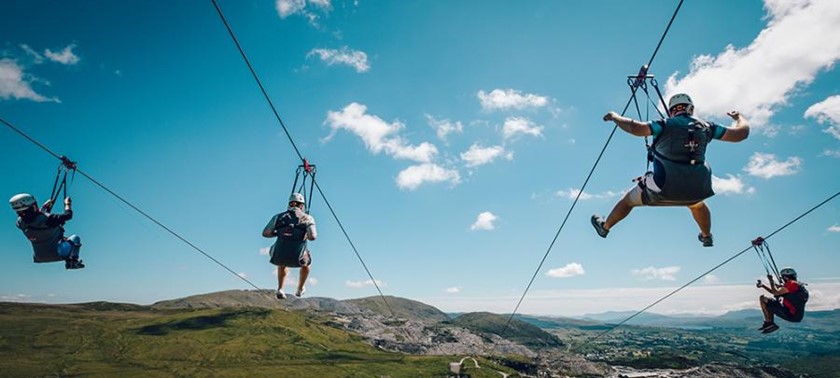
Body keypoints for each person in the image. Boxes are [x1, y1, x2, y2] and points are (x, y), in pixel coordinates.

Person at [591, 93, 750, 246]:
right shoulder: (708, 127)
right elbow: (741, 134)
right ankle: (707, 236)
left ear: (672, 110)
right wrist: (739, 117)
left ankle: (605, 228)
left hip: (663, 187)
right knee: (698, 205)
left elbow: (635, 128)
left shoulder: (664, 124)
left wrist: (614, 116)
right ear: (691, 108)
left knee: (628, 201)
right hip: (697, 189)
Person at [262, 193, 317, 299]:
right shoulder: (308, 218)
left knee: (282, 259)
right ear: (302, 206)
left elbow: (265, 233)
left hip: (277, 256)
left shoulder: (278, 217)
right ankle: (300, 288)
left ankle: (280, 289)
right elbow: (312, 237)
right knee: (307, 264)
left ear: (290, 204)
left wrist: (278, 233)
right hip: (298, 258)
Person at [10, 193, 84, 269]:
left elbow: (33, 220)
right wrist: (67, 204)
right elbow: (68, 215)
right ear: (34, 206)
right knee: (75, 238)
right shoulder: (49, 219)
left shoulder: (20, 223)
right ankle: (72, 262)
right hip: (59, 254)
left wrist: (44, 207)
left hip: (39, 257)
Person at [757, 267, 808, 334]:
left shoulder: (791, 284)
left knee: (763, 299)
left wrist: (771, 281)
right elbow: (774, 292)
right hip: (794, 315)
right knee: (766, 300)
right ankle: (769, 323)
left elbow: (775, 292)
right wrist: (763, 286)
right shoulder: (797, 285)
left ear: (786, 277)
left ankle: (769, 323)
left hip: (790, 314)